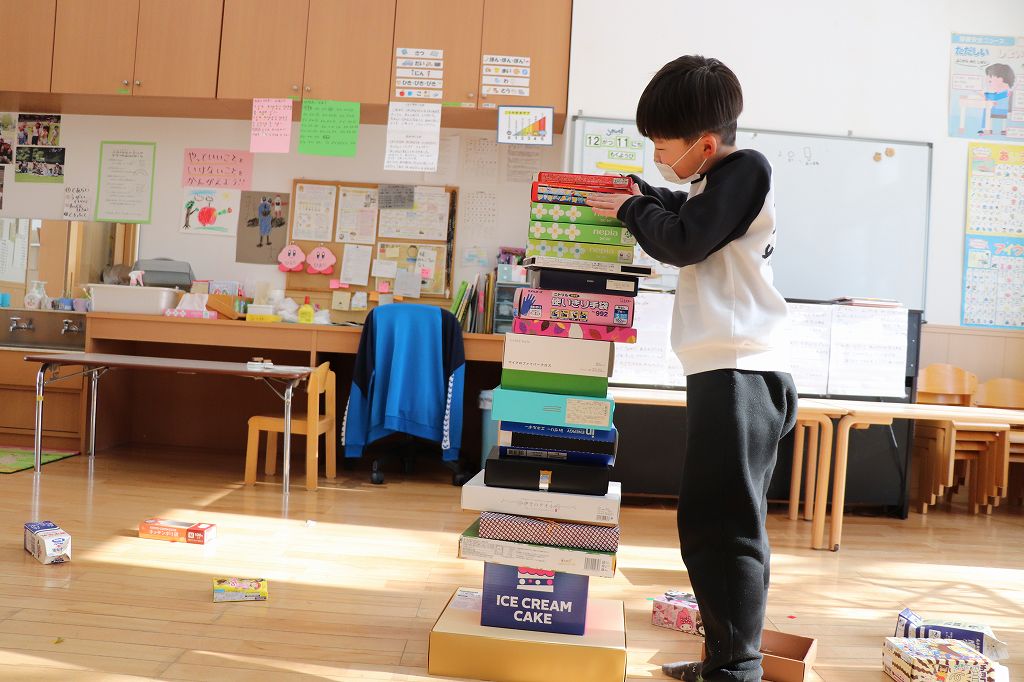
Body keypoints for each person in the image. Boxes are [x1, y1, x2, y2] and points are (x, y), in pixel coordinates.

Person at [587, 55, 797, 682]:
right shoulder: (714, 185)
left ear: (705, 144)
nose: (657, 156)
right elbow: (683, 214)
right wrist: (641, 193)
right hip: (728, 371)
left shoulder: (746, 169)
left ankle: (736, 669)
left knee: (724, 528)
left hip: (741, 373)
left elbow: (682, 241)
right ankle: (725, 659)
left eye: (662, 147)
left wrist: (630, 210)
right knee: (712, 523)